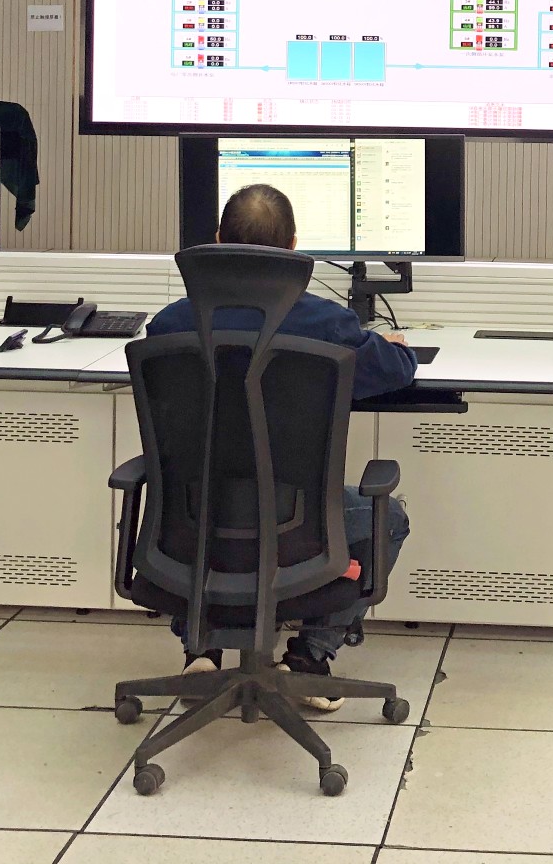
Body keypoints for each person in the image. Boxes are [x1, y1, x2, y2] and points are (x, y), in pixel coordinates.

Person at [149, 183, 415, 709]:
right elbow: (396, 369)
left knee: (200, 505)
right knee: (390, 517)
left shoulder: (171, 323)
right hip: (297, 529)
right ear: (293, 247)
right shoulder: (326, 323)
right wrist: (391, 345)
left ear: (218, 239)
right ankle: (310, 656)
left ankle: (202, 649)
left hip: (193, 523)